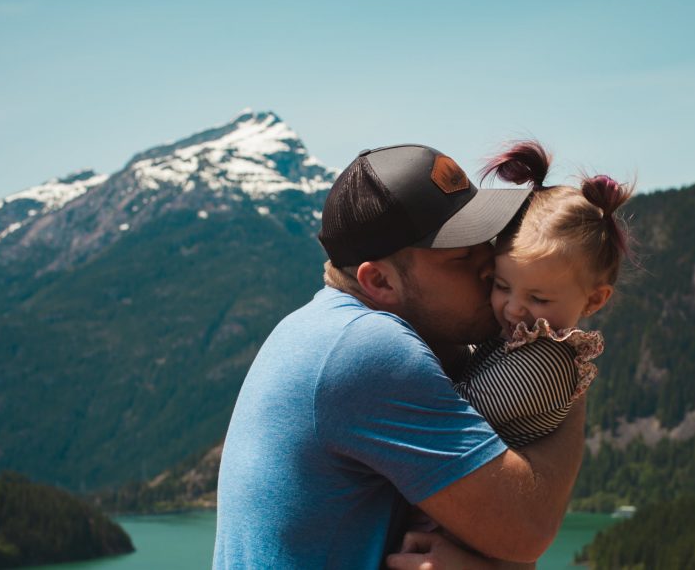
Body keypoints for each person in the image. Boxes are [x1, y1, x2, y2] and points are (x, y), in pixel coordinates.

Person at [212, 144, 587, 569]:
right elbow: (525, 531)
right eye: (461, 255)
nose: (490, 265)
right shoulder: (366, 349)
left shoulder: (316, 327)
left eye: (486, 240)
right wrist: (561, 356)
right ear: (379, 281)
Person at [453, 140, 634, 448]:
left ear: (593, 299)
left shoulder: (544, 362)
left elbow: (451, 412)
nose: (513, 309)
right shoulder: (521, 339)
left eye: (538, 299)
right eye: (502, 286)